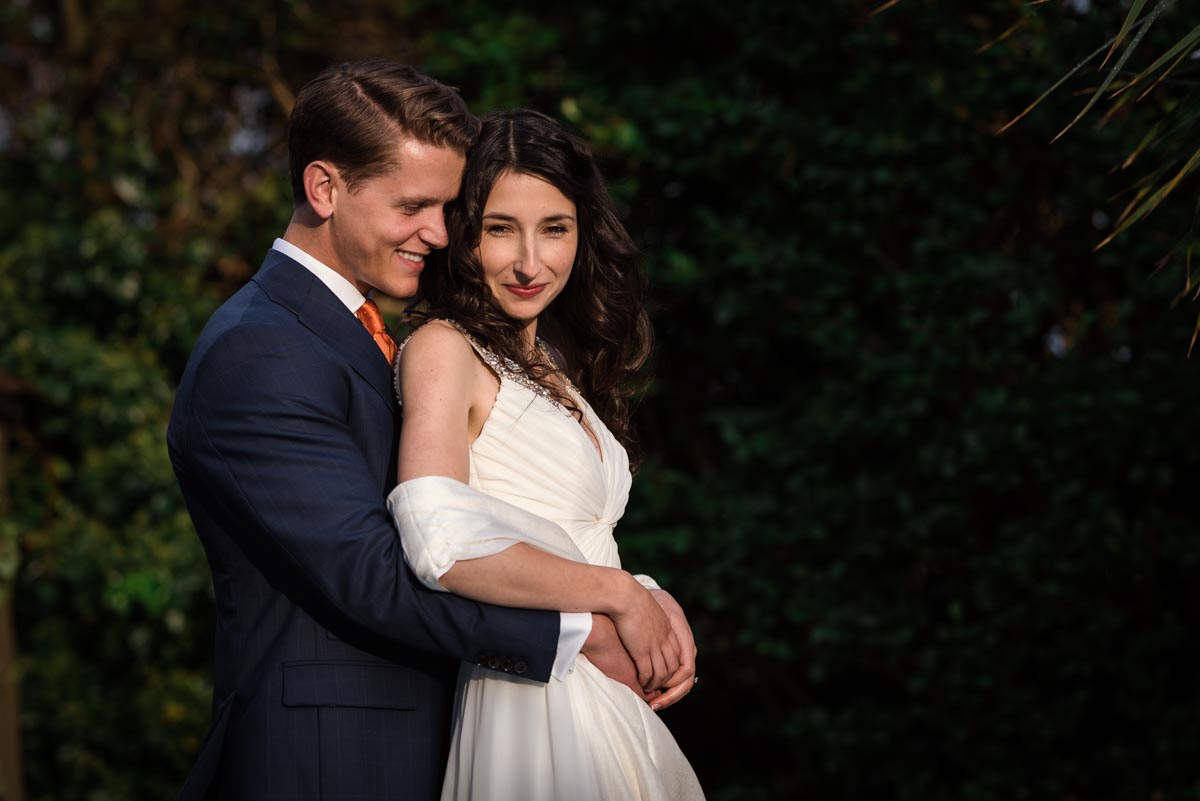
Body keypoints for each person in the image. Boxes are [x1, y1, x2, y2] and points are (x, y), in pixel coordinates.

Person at [167, 61, 692, 801]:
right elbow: (371, 572)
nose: (441, 233)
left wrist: (631, 593)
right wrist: (583, 625)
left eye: (449, 208)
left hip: (450, 733)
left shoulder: (370, 334)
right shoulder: (259, 348)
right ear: (324, 188)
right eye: (415, 205)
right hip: (333, 760)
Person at [388, 109, 704, 800]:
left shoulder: (554, 361)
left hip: (604, 695)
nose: (530, 262)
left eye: (554, 228)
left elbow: (566, 534)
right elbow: (439, 542)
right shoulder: (444, 348)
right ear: (462, 234)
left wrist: (648, 598)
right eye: (500, 228)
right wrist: (619, 595)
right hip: (535, 700)